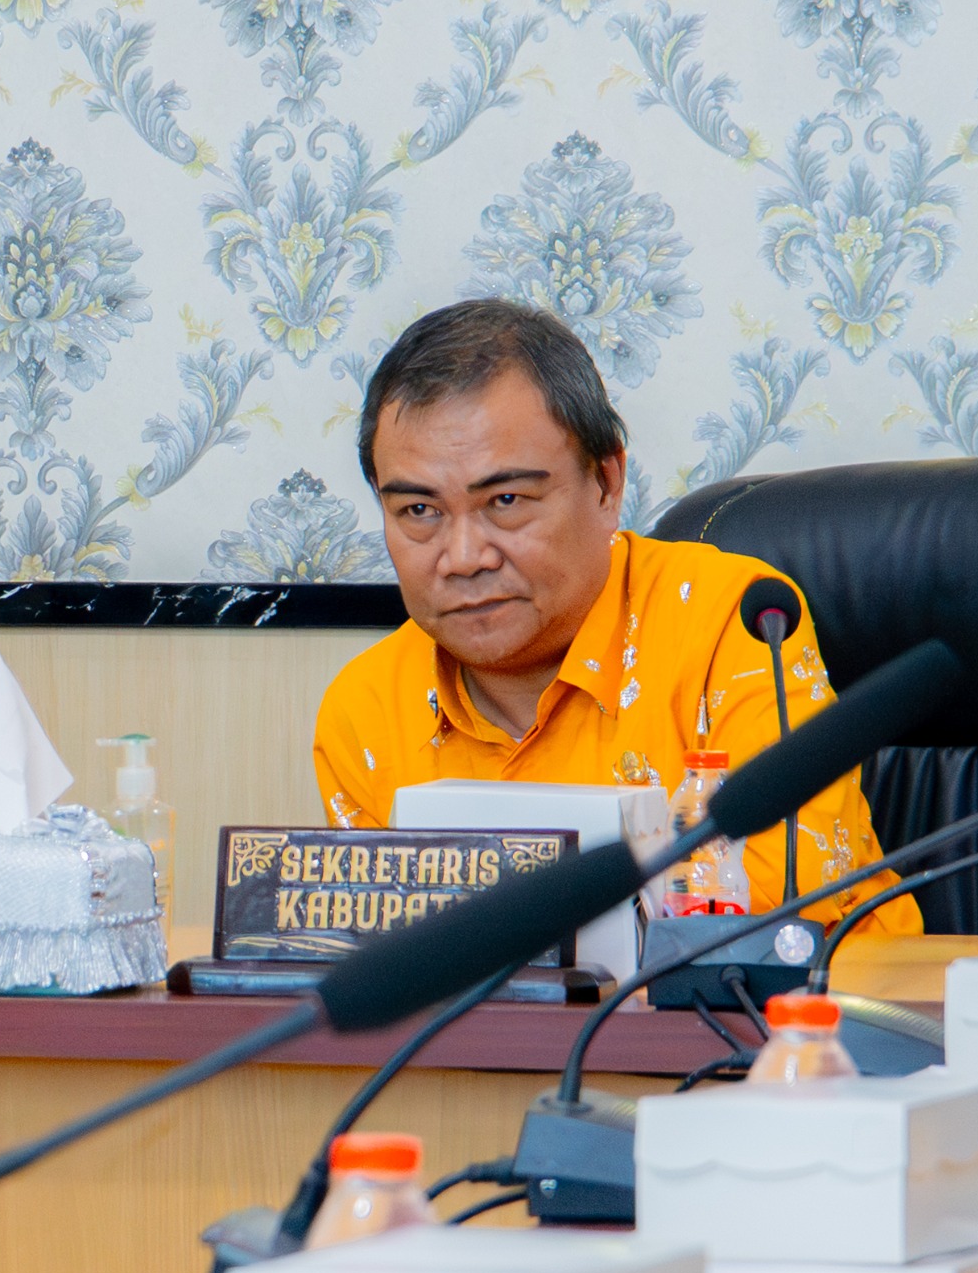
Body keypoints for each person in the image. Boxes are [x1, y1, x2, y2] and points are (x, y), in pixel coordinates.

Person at [313, 298, 917, 934]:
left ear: (605, 482)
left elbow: (777, 912)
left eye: (506, 500)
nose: (463, 558)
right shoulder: (366, 709)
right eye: (419, 511)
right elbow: (384, 951)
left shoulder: (732, 623)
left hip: (820, 997)